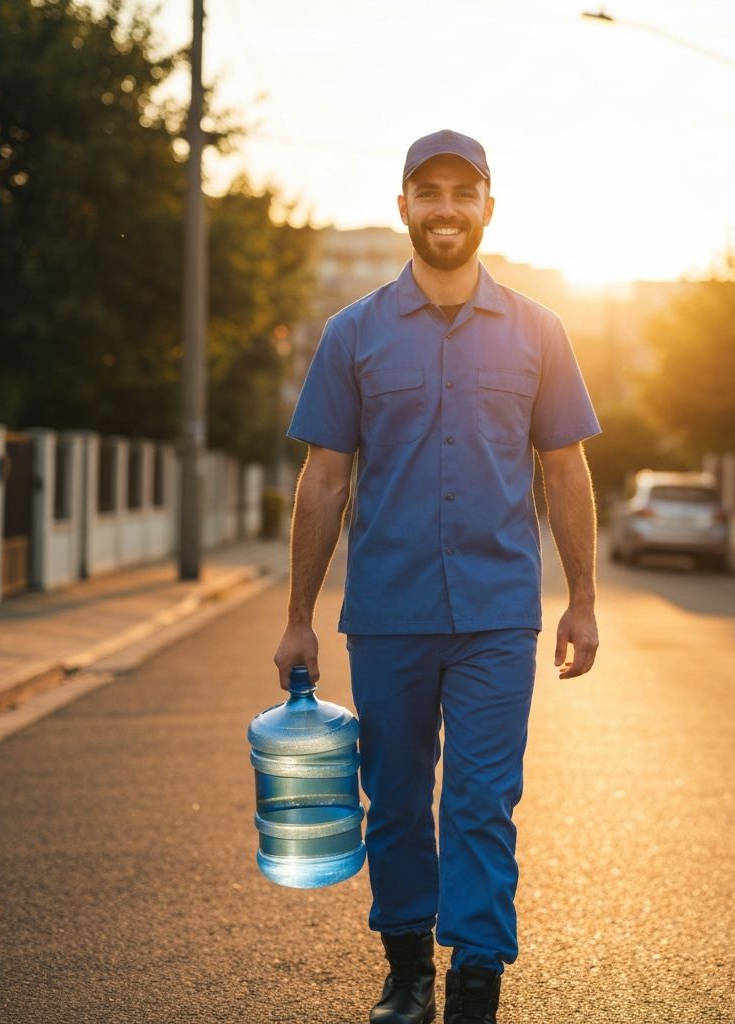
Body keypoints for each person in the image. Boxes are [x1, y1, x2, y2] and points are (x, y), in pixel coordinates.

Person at [275, 129, 600, 1024]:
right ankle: (409, 969)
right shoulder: (354, 335)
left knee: (484, 800)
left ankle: (474, 984)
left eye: (464, 192)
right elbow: (326, 477)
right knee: (397, 802)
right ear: (404, 207)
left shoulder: (541, 331)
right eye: (430, 192)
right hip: (386, 613)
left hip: (499, 614)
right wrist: (299, 616)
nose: (446, 208)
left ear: (488, 206)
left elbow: (565, 469)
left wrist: (582, 599)